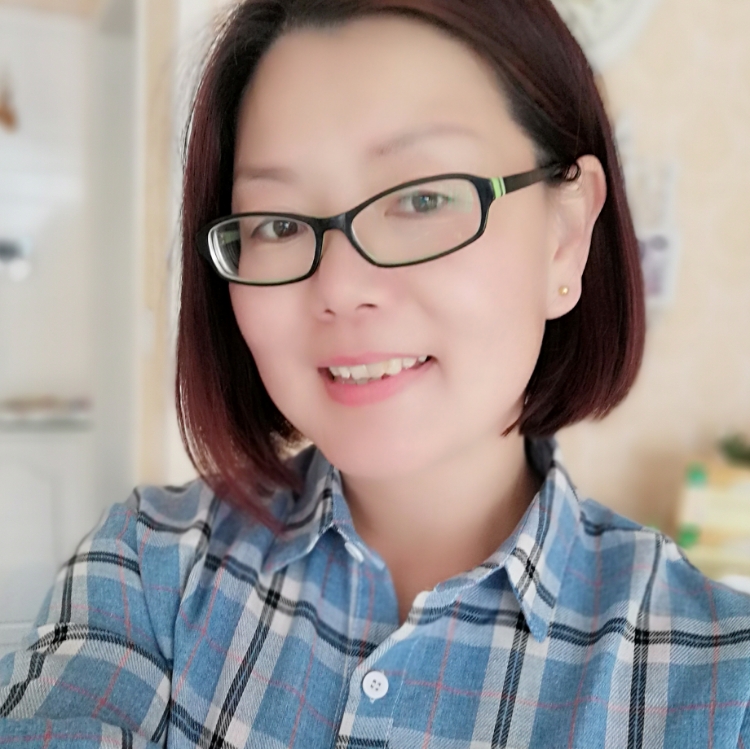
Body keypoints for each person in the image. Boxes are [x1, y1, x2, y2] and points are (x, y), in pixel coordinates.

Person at [2, 0, 750, 746]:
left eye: (421, 199)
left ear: (566, 233)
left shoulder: (720, 682)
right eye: (278, 224)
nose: (339, 286)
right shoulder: (147, 568)